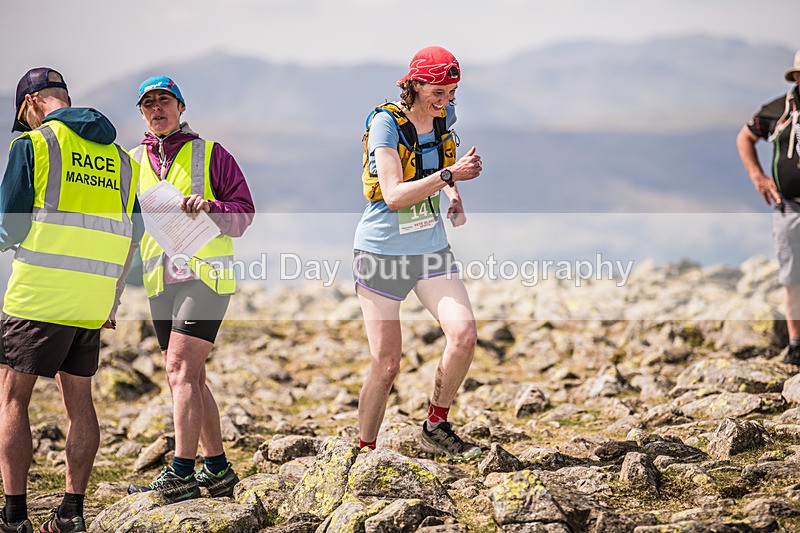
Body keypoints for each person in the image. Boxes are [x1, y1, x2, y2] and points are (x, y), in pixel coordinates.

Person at [0, 68, 142, 533]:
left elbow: (11, 226)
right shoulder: (121, 160)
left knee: (13, 400)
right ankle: (71, 513)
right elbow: (132, 235)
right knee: (80, 403)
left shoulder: (34, 145)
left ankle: (15, 516)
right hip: (93, 298)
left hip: (39, 294)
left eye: (26, 117)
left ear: (33, 103)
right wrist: (111, 302)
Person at [126, 76, 254, 503]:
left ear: (181, 107)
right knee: (191, 377)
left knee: (179, 370)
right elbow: (124, 228)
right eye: (148, 104)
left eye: (164, 101)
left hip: (206, 276)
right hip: (159, 280)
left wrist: (212, 208)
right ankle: (217, 469)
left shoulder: (212, 153)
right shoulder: (131, 161)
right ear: (142, 113)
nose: (157, 109)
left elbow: (244, 213)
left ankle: (182, 471)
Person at [353, 46, 484, 462]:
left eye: (451, 92)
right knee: (386, 364)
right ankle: (365, 450)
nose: (444, 101)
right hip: (381, 252)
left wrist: (454, 193)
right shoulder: (384, 124)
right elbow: (392, 196)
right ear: (414, 83)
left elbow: (438, 163)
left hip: (430, 248)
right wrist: (449, 175)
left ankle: (436, 423)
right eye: (437, 91)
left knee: (463, 334)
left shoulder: (446, 117)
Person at [737, 50, 800, 366]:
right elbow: (744, 138)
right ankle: (797, 344)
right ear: (797, 78)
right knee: (793, 275)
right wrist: (757, 176)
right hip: (790, 207)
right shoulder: (777, 111)